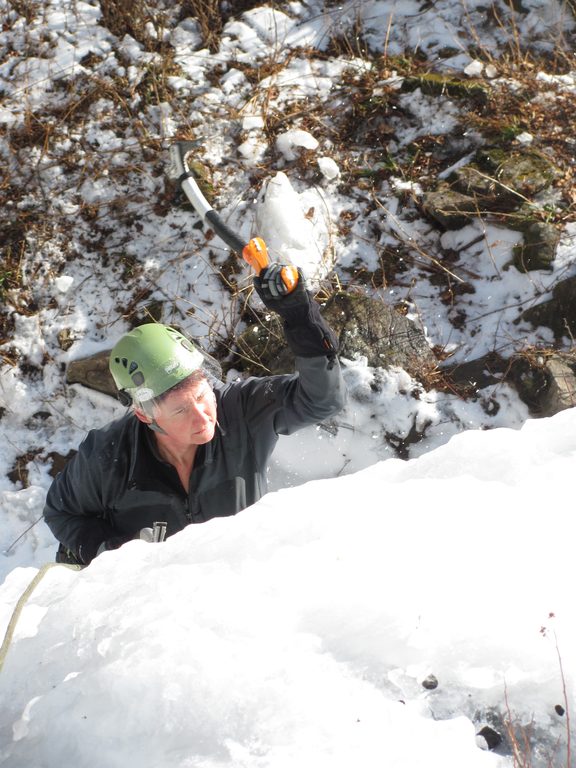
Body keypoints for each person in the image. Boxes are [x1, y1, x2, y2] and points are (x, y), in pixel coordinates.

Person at [43, 262, 346, 566]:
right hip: (147, 596)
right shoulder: (108, 455)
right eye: (181, 410)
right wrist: (108, 552)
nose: (203, 418)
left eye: (203, 396)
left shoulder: (240, 410)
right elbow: (61, 512)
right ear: (146, 416)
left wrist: (299, 315)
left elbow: (323, 400)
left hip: (236, 576)